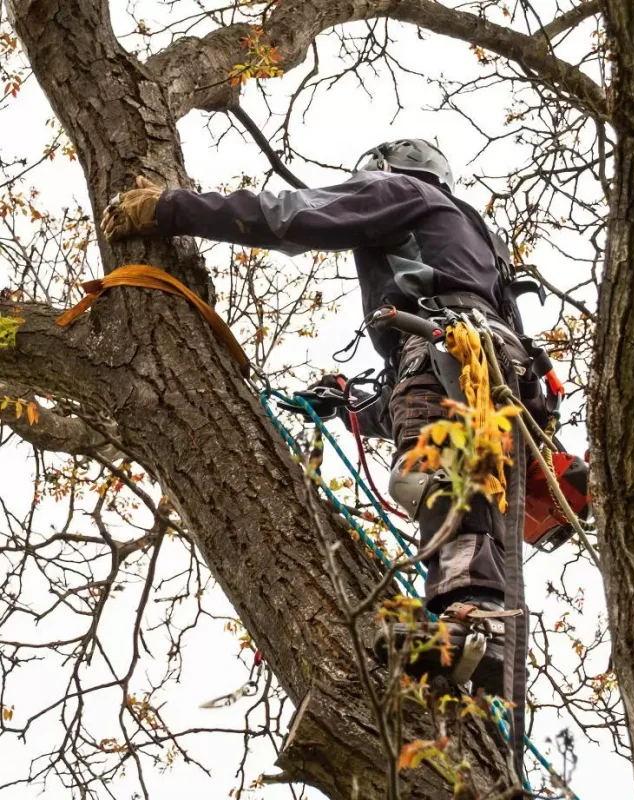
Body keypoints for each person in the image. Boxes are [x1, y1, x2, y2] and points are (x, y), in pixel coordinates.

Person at [102, 140, 547, 693]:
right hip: (492, 372)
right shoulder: (483, 250)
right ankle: (475, 640)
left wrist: (170, 208)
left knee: (435, 480)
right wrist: (354, 411)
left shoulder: (404, 193)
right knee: (456, 485)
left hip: (452, 350)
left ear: (388, 169)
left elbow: (291, 216)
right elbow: (419, 394)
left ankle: (480, 629)